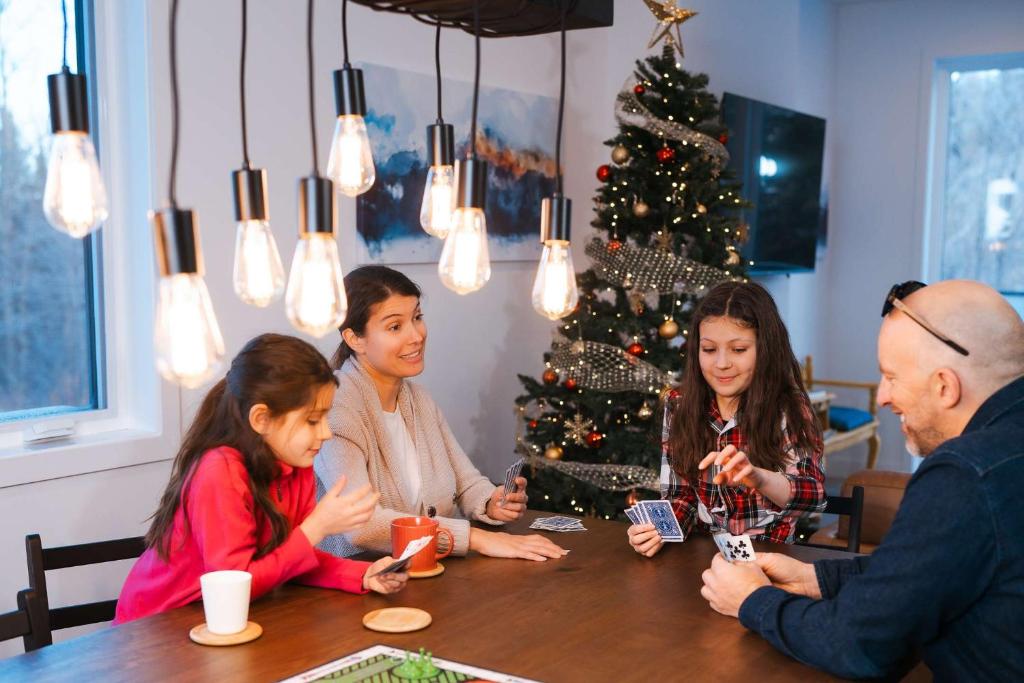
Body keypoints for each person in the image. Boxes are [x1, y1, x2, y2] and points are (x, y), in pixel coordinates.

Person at [699, 280, 1024, 680]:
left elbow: (861, 648)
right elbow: (922, 573)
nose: (883, 397)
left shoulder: (964, 475)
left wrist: (753, 600)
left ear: (945, 386)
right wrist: (815, 576)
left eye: (891, 377)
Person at [114, 334, 407, 624]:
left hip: (216, 619)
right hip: (156, 625)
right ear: (261, 420)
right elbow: (234, 586)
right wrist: (315, 528)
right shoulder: (219, 471)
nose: (326, 433)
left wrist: (362, 574)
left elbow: (293, 560)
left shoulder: (295, 463)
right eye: (312, 420)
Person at [315, 265, 567, 562]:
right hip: (356, 583)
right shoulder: (336, 409)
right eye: (395, 327)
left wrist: (491, 503)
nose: (416, 336)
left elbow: (466, 482)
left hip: (422, 573)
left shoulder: (417, 399)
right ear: (354, 339)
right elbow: (360, 526)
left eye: (417, 318)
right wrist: (476, 538)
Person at [628, 281, 825, 557]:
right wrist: (658, 530)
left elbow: (813, 498)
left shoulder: (788, 406)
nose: (721, 363)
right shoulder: (679, 403)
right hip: (699, 558)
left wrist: (758, 477)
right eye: (709, 350)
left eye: (739, 349)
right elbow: (680, 497)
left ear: (765, 349)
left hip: (769, 557)